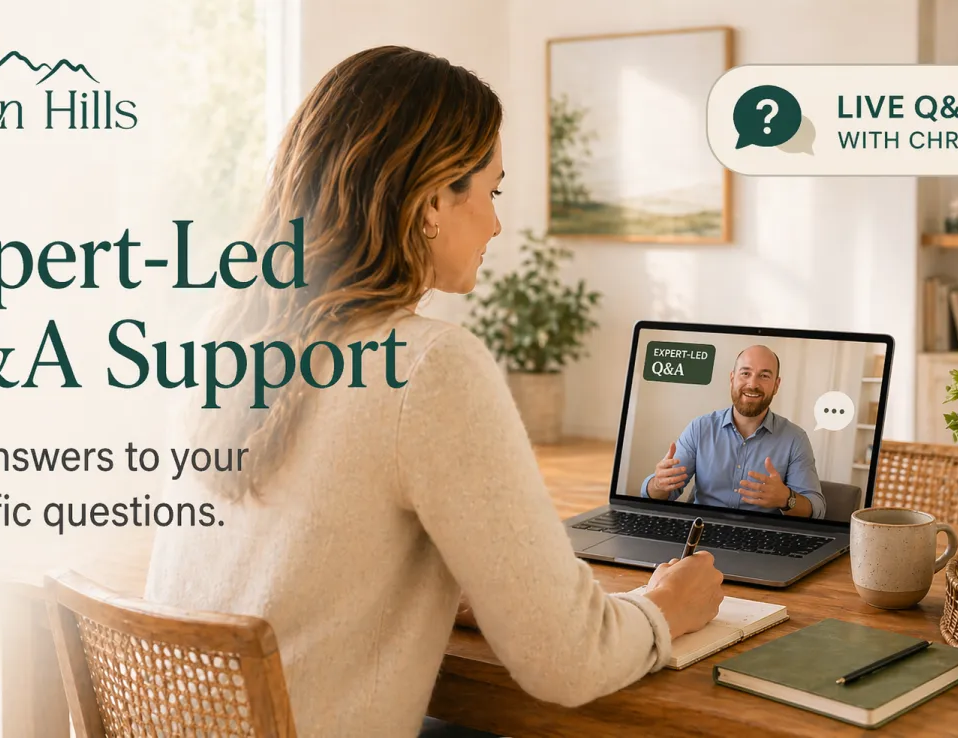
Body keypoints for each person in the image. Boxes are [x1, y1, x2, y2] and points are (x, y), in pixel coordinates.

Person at [144, 46, 724, 738]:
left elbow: (300, 549)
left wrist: (451, 583)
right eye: (491, 192)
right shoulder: (428, 366)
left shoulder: (223, 333)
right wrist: (664, 608)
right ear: (430, 202)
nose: (497, 224)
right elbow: (568, 661)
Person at [641, 345, 826, 519]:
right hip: (700, 535)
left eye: (764, 376)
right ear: (732, 378)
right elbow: (659, 495)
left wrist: (787, 499)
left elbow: (816, 508)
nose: (752, 384)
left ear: (776, 385)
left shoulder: (795, 439)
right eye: (745, 373)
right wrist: (658, 484)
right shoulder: (700, 428)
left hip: (763, 541)